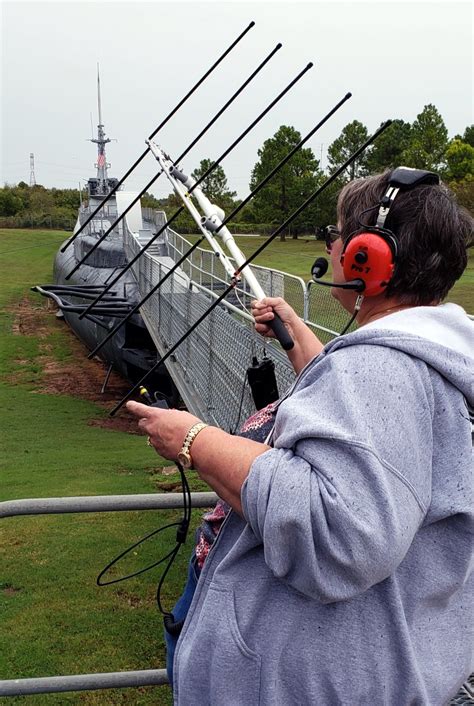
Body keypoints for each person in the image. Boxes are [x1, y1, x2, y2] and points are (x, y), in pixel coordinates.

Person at [127, 168, 473, 705]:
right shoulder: (423, 362)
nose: (332, 247)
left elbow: (339, 535)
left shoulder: (384, 370)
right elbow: (367, 441)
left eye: (336, 236)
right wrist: (301, 341)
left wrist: (194, 439)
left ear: (368, 259)